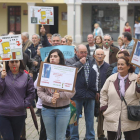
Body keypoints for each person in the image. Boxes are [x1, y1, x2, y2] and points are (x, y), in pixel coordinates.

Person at [37, 49, 75, 140]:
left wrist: (60, 95)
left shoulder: (67, 72)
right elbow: (39, 91)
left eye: (55, 56)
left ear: (60, 58)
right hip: (47, 110)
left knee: (60, 137)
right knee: (50, 137)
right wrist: (50, 99)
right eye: (51, 56)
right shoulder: (45, 71)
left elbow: (72, 92)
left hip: (63, 110)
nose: (52, 58)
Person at [100, 56, 140, 140]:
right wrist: (104, 109)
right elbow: (103, 93)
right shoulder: (111, 79)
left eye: (122, 64)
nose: (119, 66)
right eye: (118, 64)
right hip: (113, 114)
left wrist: (139, 85)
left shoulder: (136, 78)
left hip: (131, 116)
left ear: (128, 66)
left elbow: (138, 96)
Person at [66, 44, 97, 140]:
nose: (84, 55)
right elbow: (68, 72)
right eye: (81, 52)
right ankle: (74, 137)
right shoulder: (70, 61)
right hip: (76, 94)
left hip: (90, 94)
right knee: (74, 119)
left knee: (90, 119)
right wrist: (79, 63)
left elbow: (96, 74)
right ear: (76, 51)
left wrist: (96, 90)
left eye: (85, 52)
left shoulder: (92, 59)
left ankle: (90, 137)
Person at [0, 60, 35, 140]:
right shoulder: (2, 75)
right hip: (3, 114)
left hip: (19, 114)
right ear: (8, 63)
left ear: (20, 63)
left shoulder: (27, 77)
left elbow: (31, 93)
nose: (14, 64)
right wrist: (2, 78)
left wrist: (23, 104)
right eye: (12, 62)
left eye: (16, 61)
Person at [93, 49, 109, 140]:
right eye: (98, 54)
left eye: (101, 54)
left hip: (104, 93)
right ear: (94, 56)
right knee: (90, 114)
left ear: (104, 56)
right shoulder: (91, 65)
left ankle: (101, 134)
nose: (99, 56)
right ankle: (89, 134)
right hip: (92, 93)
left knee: (101, 114)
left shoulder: (108, 67)